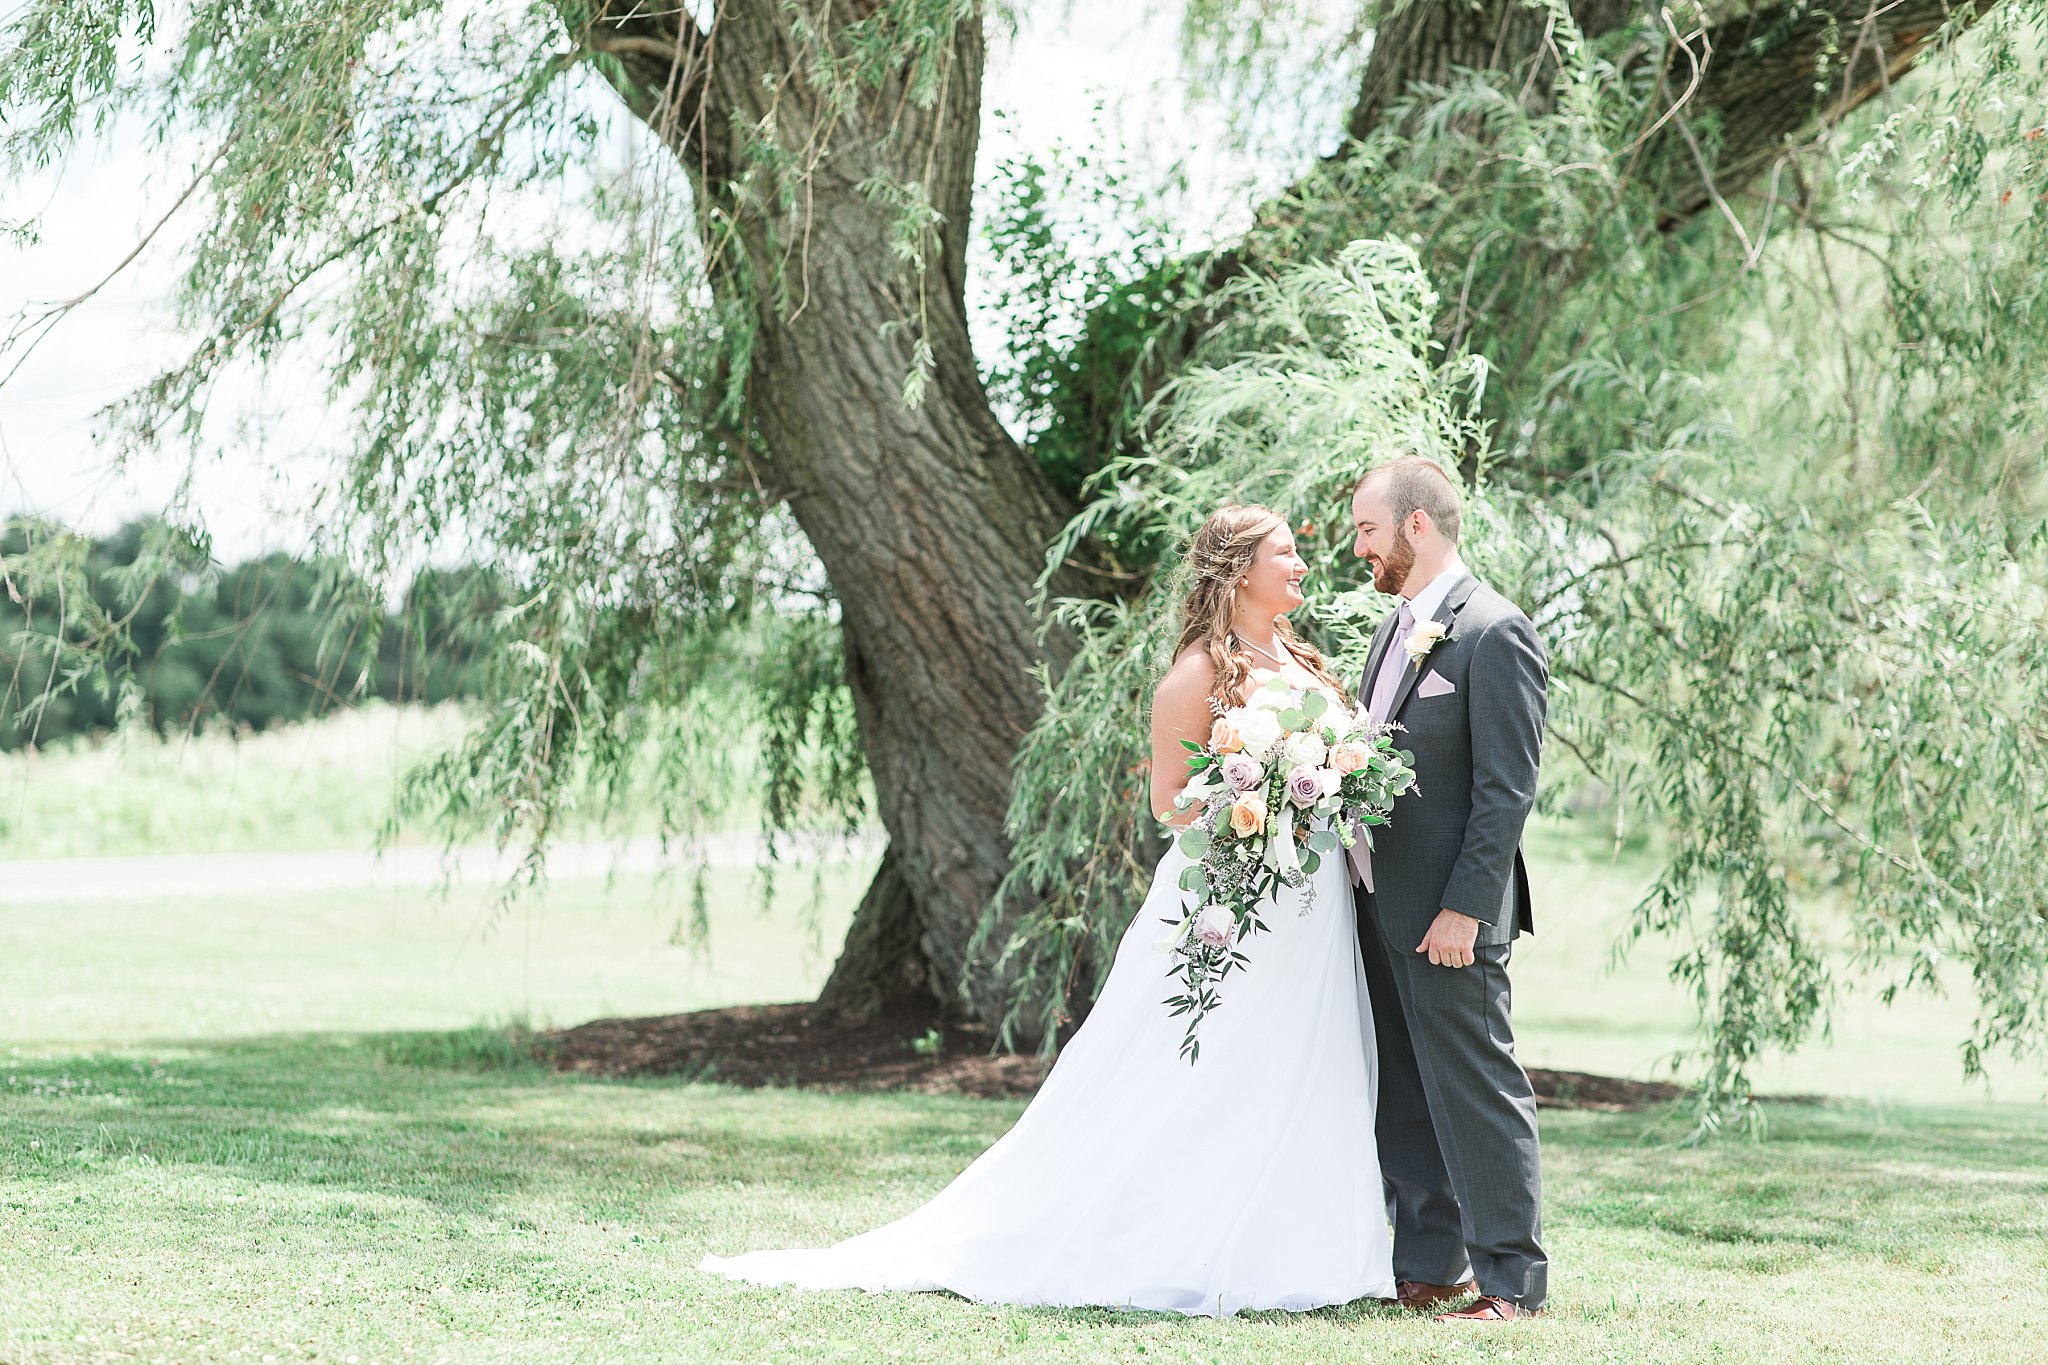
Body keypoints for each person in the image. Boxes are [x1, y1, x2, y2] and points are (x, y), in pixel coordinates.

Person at [699, 504, 1396, 1316]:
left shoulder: (1304, 659)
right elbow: (1169, 803)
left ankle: (1301, 1251)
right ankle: (1174, 1238)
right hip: (1230, 901)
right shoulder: (1198, 673)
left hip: (1309, 908)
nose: (1303, 563)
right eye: (1286, 551)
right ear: (1240, 569)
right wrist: (1261, 791)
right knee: (1194, 1062)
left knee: (1298, 1060)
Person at [1346, 457, 1550, 1323]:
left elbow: (1507, 787)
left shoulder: (1495, 632)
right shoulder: (1394, 630)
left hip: (1450, 915)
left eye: (1367, 530)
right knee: (1406, 1088)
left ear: (1416, 526)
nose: (1359, 548)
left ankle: (1513, 1280)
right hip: (1380, 905)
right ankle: (1431, 1263)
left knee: (1475, 1086)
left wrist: (1466, 906)